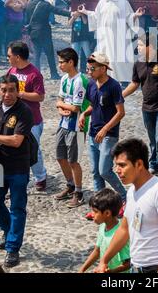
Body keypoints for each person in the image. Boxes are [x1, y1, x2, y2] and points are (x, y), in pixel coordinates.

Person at [96, 138, 158, 274]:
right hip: (136, 268)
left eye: (122, 165)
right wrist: (104, 260)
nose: (117, 170)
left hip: (157, 268)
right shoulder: (131, 192)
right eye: (116, 165)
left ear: (139, 164)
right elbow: (124, 230)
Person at [122, 33, 158, 180]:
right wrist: (120, 95)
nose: (138, 48)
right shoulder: (138, 63)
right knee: (153, 138)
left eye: (140, 45)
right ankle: (153, 163)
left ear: (150, 46)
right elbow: (134, 84)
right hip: (147, 107)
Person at [78, 52, 127, 216]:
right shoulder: (91, 84)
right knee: (95, 171)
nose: (89, 72)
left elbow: (120, 112)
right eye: (88, 68)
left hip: (109, 134)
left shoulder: (114, 86)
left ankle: (124, 197)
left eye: (92, 68)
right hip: (93, 133)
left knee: (105, 170)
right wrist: (84, 114)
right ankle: (98, 207)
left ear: (103, 68)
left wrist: (105, 128)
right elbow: (94, 105)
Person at [78, 0, 145, 83]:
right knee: (105, 57)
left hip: (118, 36)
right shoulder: (102, 1)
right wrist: (85, 12)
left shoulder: (123, 2)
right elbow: (96, 16)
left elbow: (129, 17)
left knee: (118, 58)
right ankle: (106, 77)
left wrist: (135, 15)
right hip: (104, 36)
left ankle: (122, 79)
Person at [0, 74, 34, 268]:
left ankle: (13, 248)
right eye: (4, 90)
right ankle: (8, 229)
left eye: (12, 90)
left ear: (17, 91)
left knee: (17, 208)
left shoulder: (24, 111)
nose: (7, 94)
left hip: (18, 167)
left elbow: (16, 140)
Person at [7, 41, 47, 191]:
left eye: (9, 55)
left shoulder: (34, 73)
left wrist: (20, 94)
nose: (8, 58)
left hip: (32, 120)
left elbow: (40, 96)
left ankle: (41, 177)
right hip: (13, 118)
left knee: (33, 149)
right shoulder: (11, 70)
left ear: (17, 57)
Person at [55, 48, 88, 208]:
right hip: (63, 123)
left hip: (77, 127)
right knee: (60, 157)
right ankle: (70, 185)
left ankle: (79, 192)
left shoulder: (80, 80)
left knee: (73, 160)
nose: (59, 65)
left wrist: (61, 105)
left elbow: (75, 108)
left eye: (62, 62)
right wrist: (61, 108)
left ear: (71, 62)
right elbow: (59, 101)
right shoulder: (64, 79)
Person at [78, 189, 131, 273]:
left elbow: (129, 263)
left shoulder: (120, 234)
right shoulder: (103, 226)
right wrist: (82, 269)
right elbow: (97, 250)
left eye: (95, 211)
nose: (92, 214)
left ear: (107, 213)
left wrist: (112, 271)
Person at [25, 0, 71, 79]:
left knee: (36, 54)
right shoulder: (45, 5)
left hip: (33, 32)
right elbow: (58, 11)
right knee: (49, 54)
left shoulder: (29, 4)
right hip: (44, 32)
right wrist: (71, 14)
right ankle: (53, 74)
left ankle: (36, 75)